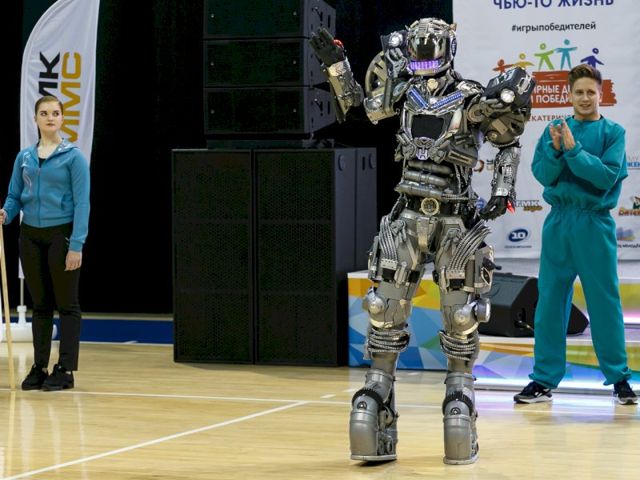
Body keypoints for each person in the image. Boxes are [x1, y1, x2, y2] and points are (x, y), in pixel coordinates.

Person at [311, 19, 534, 464]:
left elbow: (508, 139)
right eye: (419, 56)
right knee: (384, 311)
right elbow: (356, 109)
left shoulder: (471, 96)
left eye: (431, 56)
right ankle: (381, 394)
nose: (425, 65)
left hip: (454, 218)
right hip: (410, 213)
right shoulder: (405, 92)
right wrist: (337, 66)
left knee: (461, 317)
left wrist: (503, 189)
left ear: (448, 51)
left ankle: (454, 399)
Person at [514, 64, 636, 405]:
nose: (584, 98)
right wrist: (556, 151)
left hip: (594, 225)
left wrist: (573, 150)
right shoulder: (554, 129)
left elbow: (605, 178)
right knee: (550, 302)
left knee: (604, 302)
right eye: (578, 92)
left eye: (590, 92)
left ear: (601, 94)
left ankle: (619, 379)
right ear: (569, 95)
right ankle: (543, 379)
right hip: (558, 224)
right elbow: (543, 175)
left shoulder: (613, 133)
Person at [0, 95, 90, 391]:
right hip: (30, 235)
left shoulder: (74, 157)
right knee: (40, 304)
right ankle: (38, 366)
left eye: (55, 113)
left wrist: (76, 244)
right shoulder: (24, 157)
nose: (50, 117)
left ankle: (65, 369)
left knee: (67, 304)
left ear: (62, 118)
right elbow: (15, 196)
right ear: (36, 119)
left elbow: (83, 203)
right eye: (44, 113)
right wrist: (6, 213)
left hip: (60, 235)